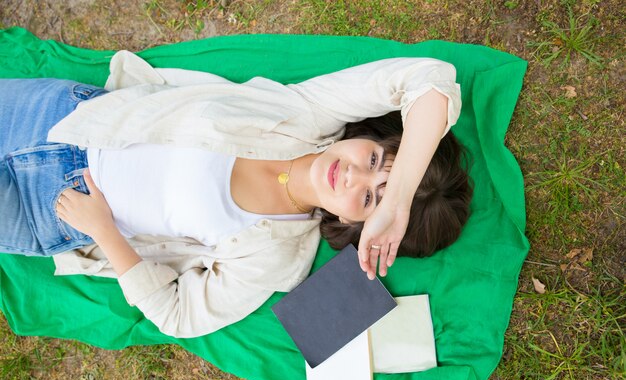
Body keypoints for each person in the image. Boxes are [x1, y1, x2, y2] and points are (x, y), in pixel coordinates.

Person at [0, 52, 471, 337]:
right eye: (373, 162)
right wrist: (397, 197)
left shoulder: (276, 256)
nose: (351, 176)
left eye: (369, 199)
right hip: (60, 116)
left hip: (49, 209)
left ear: (357, 226)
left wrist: (104, 231)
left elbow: (178, 314)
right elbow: (430, 77)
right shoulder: (309, 112)